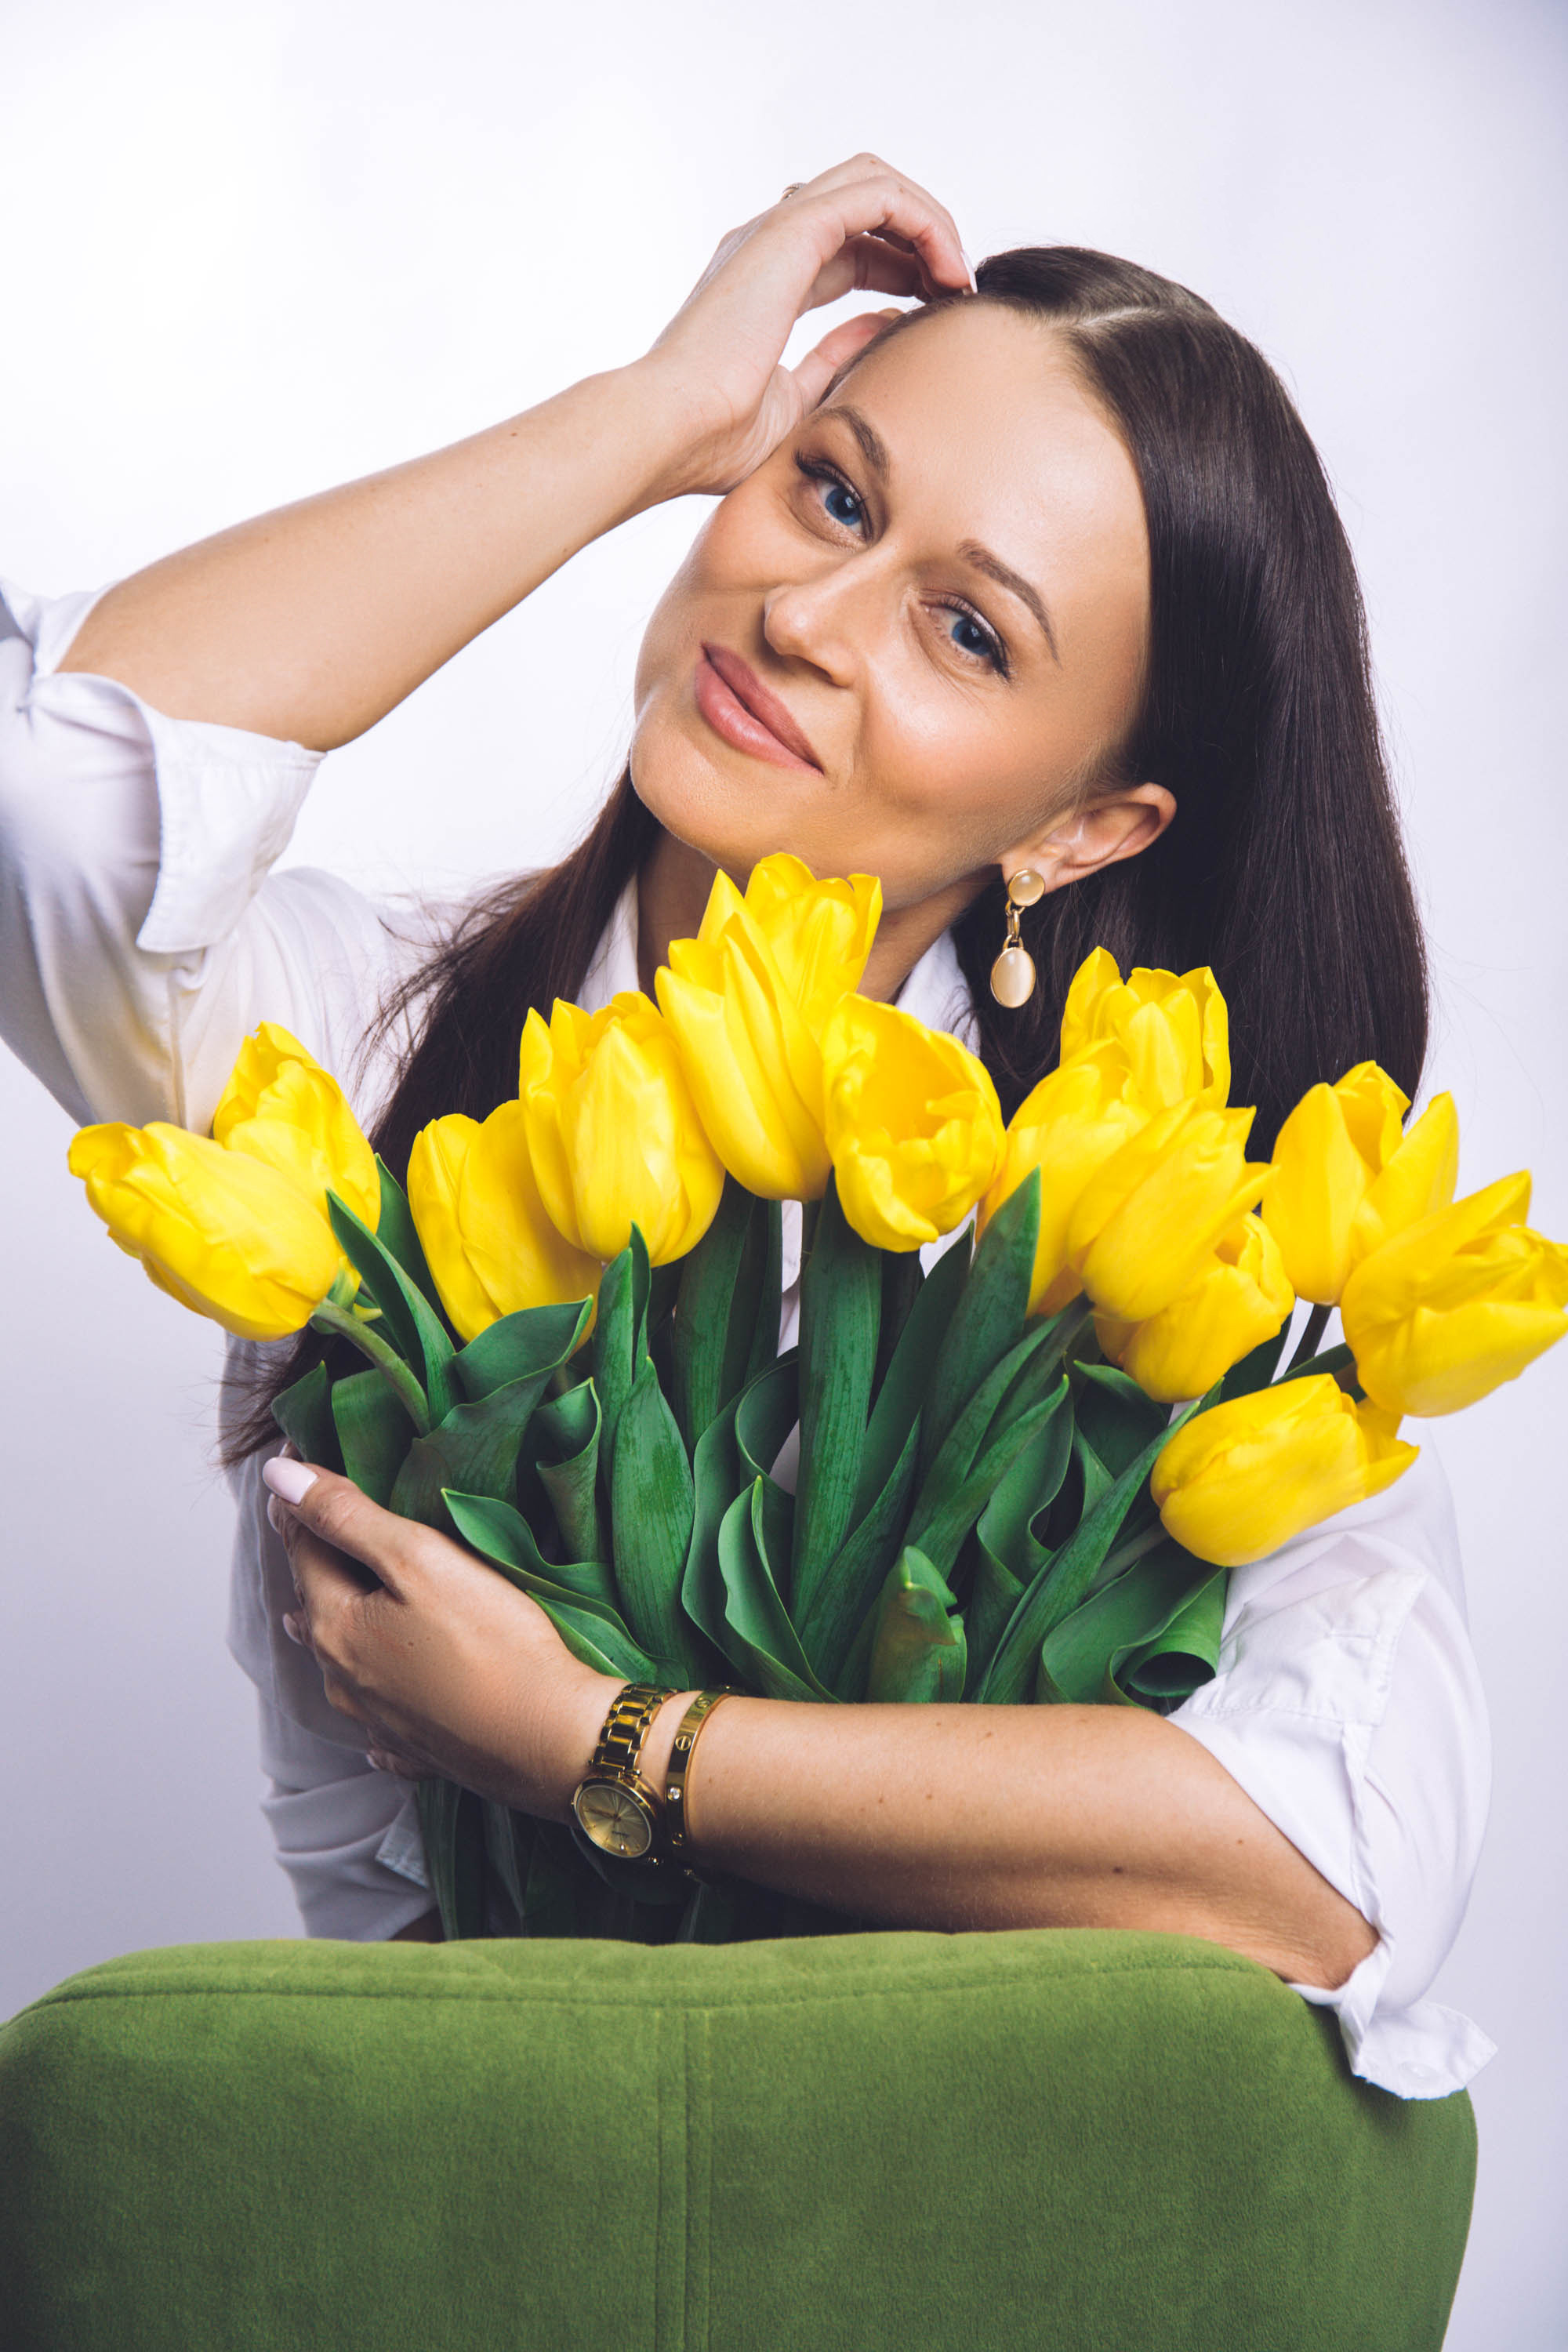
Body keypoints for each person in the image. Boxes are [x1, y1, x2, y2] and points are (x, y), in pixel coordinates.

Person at [0, 154, 1491, 2100]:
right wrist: (657, 417)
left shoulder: (1180, 1233)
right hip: (438, 2208)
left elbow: (1329, 1862)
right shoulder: (372, 1062)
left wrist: (599, 1742)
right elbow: (50, 799)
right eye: (834, 492)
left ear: (1083, 827)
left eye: (969, 633)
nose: (811, 618)